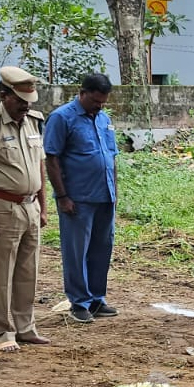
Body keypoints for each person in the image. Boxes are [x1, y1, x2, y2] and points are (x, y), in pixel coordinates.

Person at [0, 66, 51, 353]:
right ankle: (2, 330)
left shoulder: (33, 122)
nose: (25, 107)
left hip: (29, 205)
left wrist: (43, 205)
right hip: (1, 206)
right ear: (4, 96)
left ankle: (26, 327)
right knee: (0, 273)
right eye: (20, 101)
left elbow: (39, 166)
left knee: (29, 271)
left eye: (29, 102)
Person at [44, 72, 120, 324]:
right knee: (76, 251)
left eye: (103, 102)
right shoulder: (61, 118)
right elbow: (52, 158)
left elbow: (112, 156)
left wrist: (115, 192)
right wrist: (62, 196)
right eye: (96, 101)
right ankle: (79, 301)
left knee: (102, 248)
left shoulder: (104, 119)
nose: (99, 106)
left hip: (104, 195)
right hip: (78, 197)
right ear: (82, 93)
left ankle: (97, 298)